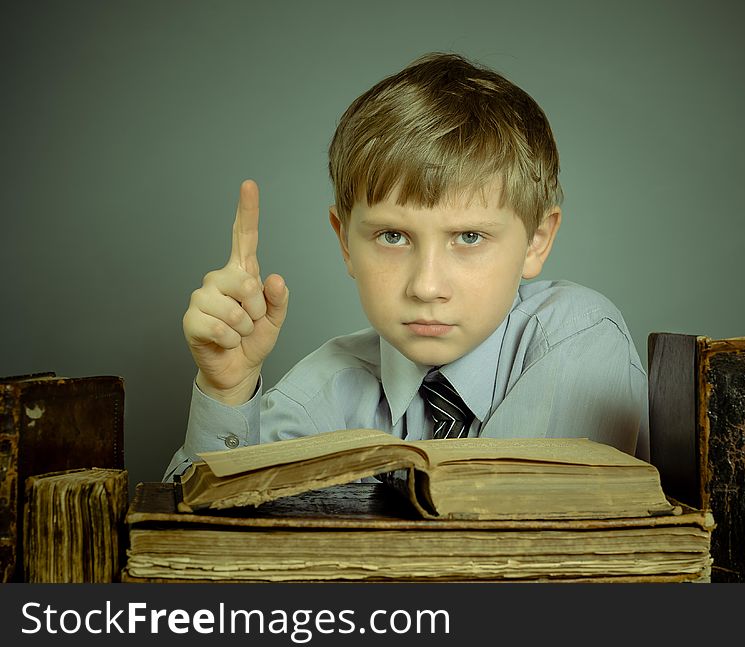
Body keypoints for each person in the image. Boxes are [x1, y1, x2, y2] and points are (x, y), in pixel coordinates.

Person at [163, 52, 648, 482]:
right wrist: (226, 391)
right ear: (345, 242)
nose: (427, 286)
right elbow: (193, 552)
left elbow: (513, 540)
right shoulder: (326, 389)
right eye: (393, 236)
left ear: (535, 241)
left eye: (469, 237)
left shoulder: (577, 335)